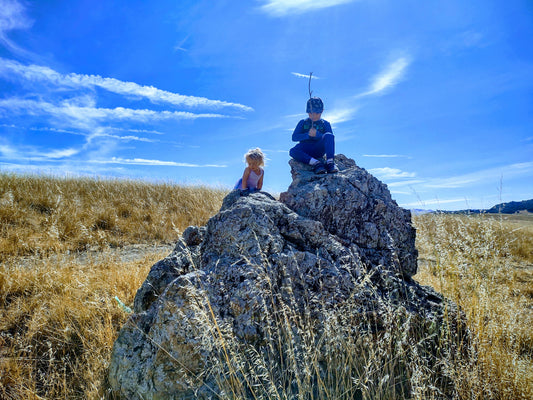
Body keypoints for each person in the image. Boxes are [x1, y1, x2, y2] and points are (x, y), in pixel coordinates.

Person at [289, 97, 339, 174]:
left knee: (329, 135)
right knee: (293, 151)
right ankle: (316, 163)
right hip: (305, 149)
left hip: (318, 149)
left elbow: (329, 138)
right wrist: (307, 135)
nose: (314, 115)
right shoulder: (303, 122)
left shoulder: (325, 124)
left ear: (322, 111)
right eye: (311, 113)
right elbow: (294, 137)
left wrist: (317, 135)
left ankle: (330, 163)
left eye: (317, 113)